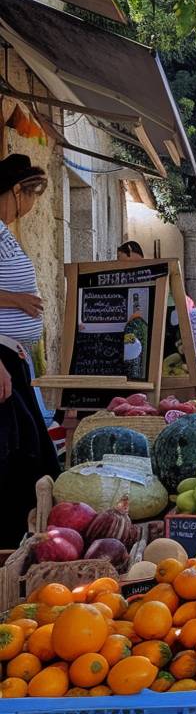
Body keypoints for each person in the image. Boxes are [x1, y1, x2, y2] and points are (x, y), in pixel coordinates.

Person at [0, 154, 60, 546]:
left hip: (12, 356)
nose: (32, 207)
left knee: (33, 453)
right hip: (1, 360)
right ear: (17, 190)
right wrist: (16, 300)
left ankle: (20, 541)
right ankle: (9, 544)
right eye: (32, 196)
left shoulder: (4, 231)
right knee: (19, 455)